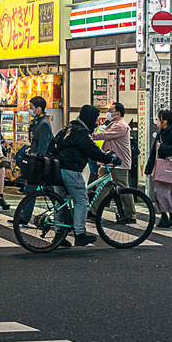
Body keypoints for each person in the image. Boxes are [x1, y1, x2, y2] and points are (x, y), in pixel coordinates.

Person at [49, 104, 115, 247]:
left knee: (60, 202)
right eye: (96, 118)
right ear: (89, 117)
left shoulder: (70, 127)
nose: (96, 121)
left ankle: (59, 235)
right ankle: (79, 234)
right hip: (70, 169)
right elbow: (91, 150)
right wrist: (108, 159)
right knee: (81, 200)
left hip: (57, 168)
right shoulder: (81, 132)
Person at [148, 109, 172, 229]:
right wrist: (149, 168)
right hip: (162, 168)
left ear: (165, 121)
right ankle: (169, 218)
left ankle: (168, 217)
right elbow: (154, 152)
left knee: (163, 193)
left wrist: (163, 147)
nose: (158, 121)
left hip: (170, 168)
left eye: (159, 119)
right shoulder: (161, 134)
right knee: (163, 194)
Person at [97, 102, 132, 187]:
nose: (107, 113)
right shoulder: (112, 124)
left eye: (110, 110)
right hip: (109, 162)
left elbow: (105, 134)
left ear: (118, 113)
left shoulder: (120, 125)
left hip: (119, 163)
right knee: (102, 188)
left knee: (122, 189)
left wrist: (90, 136)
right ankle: (101, 201)